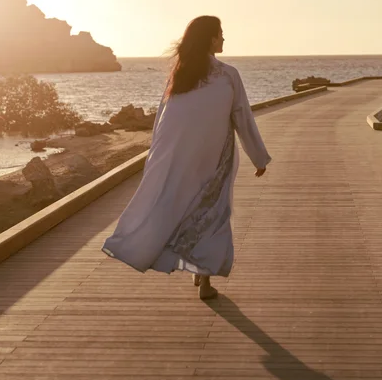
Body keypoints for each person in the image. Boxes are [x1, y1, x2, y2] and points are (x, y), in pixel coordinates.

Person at [102, 16, 271, 300]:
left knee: (189, 210)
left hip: (182, 158)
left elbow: (163, 119)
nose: (224, 39)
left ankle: (197, 270)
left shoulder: (180, 76)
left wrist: (158, 157)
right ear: (210, 39)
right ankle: (204, 280)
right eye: (220, 34)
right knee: (212, 214)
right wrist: (259, 158)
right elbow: (242, 116)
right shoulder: (228, 75)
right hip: (214, 159)